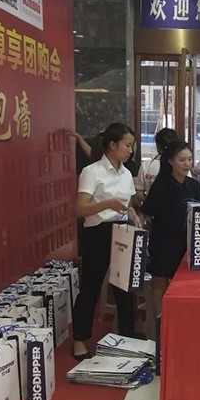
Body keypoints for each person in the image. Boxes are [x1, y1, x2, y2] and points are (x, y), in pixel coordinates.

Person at [73, 123, 139, 360]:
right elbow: (80, 209)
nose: (130, 150)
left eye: (132, 146)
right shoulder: (92, 172)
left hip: (123, 231)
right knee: (91, 287)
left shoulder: (126, 173)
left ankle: (127, 337)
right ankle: (79, 340)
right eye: (127, 145)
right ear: (112, 145)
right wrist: (106, 204)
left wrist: (133, 215)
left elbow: (127, 204)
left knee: (125, 289)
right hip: (98, 233)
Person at [140, 140, 200, 341]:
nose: (187, 164)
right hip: (163, 242)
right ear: (170, 161)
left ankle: (183, 323)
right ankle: (159, 326)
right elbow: (147, 212)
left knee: (186, 282)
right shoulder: (161, 186)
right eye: (182, 160)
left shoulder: (194, 185)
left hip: (187, 242)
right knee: (159, 282)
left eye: (189, 159)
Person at [135, 128, 179, 203]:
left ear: (157, 146)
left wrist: (150, 205)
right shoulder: (180, 165)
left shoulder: (146, 166)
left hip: (151, 208)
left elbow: (139, 194)